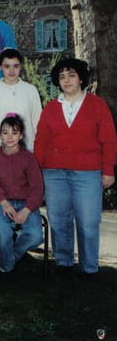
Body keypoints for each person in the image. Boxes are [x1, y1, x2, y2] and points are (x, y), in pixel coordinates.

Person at [34, 57, 117, 276]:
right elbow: (40, 141)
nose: (66, 80)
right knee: (59, 220)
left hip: (88, 173)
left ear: (81, 79)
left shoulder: (97, 105)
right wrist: (37, 171)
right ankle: (64, 263)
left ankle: (90, 268)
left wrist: (109, 170)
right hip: (54, 173)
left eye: (71, 75)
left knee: (88, 222)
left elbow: (109, 140)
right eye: (62, 76)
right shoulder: (51, 107)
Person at [0, 114, 44, 274]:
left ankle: (8, 259)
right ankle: (8, 263)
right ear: (0, 135)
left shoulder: (29, 158)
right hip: (2, 202)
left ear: (21, 135)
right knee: (1, 230)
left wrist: (26, 210)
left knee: (35, 236)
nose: (10, 137)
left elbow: (37, 189)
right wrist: (4, 203)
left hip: (26, 203)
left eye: (14, 132)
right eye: (5, 133)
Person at [0, 48, 42, 156]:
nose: (11, 71)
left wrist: (38, 148)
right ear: (0, 67)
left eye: (15, 66)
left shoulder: (31, 90)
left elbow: (37, 122)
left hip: (27, 149)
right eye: (7, 66)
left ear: (21, 66)